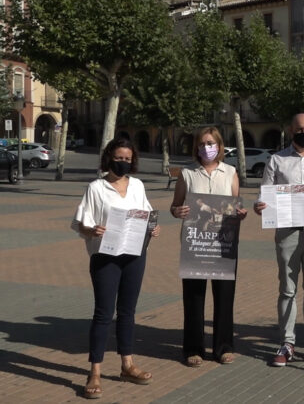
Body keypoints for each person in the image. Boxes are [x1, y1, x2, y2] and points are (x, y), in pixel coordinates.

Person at [73, 138, 161, 399]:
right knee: (103, 313)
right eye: (119, 158)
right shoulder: (96, 187)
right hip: (105, 257)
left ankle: (127, 364)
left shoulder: (137, 185)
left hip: (134, 254)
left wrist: (153, 228)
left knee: (127, 311)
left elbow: (147, 214)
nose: (123, 162)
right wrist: (92, 229)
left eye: (127, 159)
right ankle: (95, 372)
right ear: (109, 157)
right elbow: (81, 224)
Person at [253, 113, 304, 367]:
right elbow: (264, 193)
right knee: (287, 290)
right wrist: (260, 206)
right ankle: (287, 343)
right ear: (291, 130)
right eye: (300, 128)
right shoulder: (277, 160)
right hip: (287, 233)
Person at [170, 126, 247, 367]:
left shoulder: (231, 172)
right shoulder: (187, 174)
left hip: (223, 244)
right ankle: (193, 349)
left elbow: (236, 206)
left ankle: (223, 346)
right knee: (194, 297)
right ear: (196, 147)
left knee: (225, 296)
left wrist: (241, 213)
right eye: (202, 144)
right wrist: (177, 211)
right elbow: (175, 206)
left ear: (220, 146)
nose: (206, 148)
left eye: (211, 143)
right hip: (195, 244)